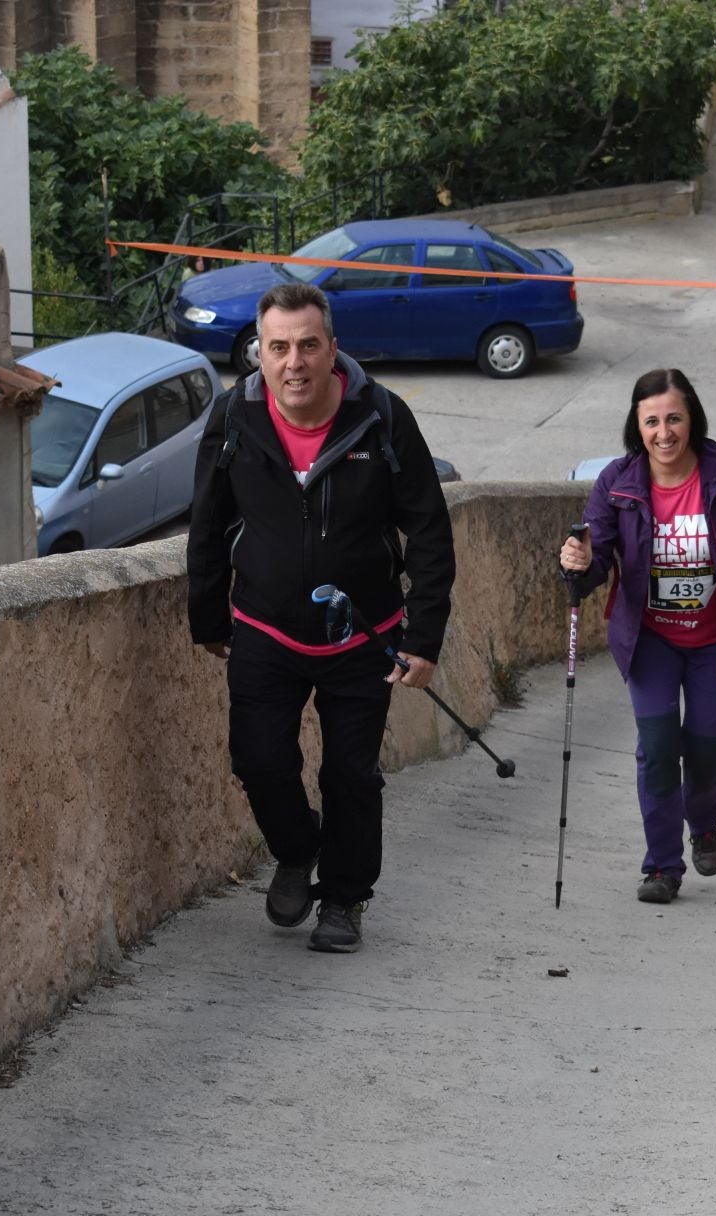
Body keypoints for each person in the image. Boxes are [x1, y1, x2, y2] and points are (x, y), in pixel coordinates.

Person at [188, 281, 455, 954]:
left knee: (351, 774)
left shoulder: (382, 417)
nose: (294, 363)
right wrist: (207, 616)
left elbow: (428, 531)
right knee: (258, 758)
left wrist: (422, 640)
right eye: (278, 348)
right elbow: (208, 522)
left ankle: (343, 899)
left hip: (363, 635)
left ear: (333, 348)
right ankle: (297, 849)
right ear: (259, 353)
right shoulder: (234, 417)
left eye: (309, 346)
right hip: (265, 628)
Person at [559, 369, 716, 904]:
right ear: (636, 426)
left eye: (673, 418)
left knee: (707, 754)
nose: (663, 432)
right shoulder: (618, 484)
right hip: (651, 642)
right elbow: (594, 559)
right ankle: (662, 866)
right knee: (660, 750)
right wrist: (577, 563)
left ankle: (705, 822)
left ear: (692, 420)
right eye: (651, 421)